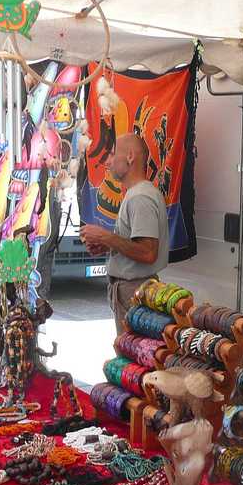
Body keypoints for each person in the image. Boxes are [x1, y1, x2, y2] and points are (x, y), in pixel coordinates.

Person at [80, 132, 168, 334]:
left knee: (133, 355)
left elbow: (147, 252)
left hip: (134, 290)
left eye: (112, 154)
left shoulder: (140, 197)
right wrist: (109, 244)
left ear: (129, 156)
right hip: (132, 289)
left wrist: (105, 236)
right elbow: (136, 244)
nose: (108, 162)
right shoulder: (137, 194)